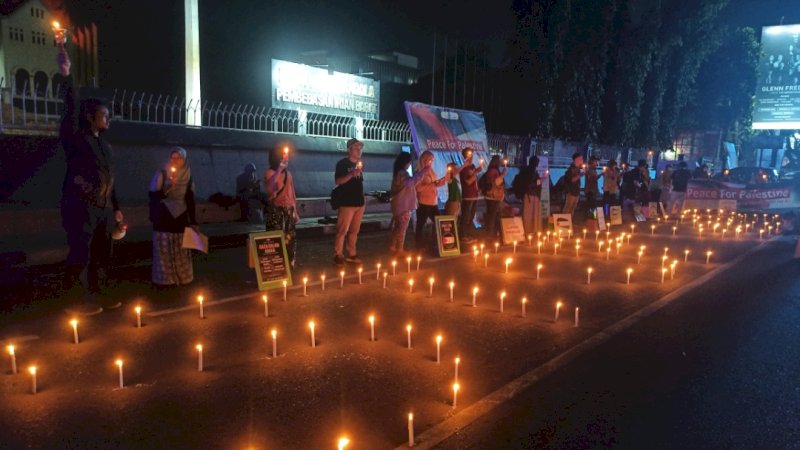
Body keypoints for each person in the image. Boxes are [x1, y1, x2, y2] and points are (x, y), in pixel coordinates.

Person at [58, 42, 123, 315]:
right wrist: (66, 75)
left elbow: (111, 178)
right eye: (103, 115)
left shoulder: (105, 146)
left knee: (101, 255)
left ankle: (100, 295)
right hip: (81, 207)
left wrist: (117, 209)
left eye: (108, 115)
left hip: (103, 210)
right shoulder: (77, 139)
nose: (108, 119)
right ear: (90, 117)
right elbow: (70, 107)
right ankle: (75, 301)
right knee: (80, 255)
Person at [149, 147, 198, 287]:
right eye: (173, 157)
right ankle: (165, 280)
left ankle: (182, 277)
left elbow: (190, 198)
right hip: (164, 216)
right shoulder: (162, 174)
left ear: (184, 160)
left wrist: (193, 221)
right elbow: (153, 196)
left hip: (180, 216)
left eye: (179, 158)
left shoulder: (188, 176)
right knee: (164, 249)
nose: (175, 161)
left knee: (180, 248)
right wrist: (167, 189)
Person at [389, 152, 431, 257]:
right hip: (403, 205)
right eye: (409, 162)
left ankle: (393, 246)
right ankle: (399, 250)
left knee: (398, 227)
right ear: (406, 162)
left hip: (398, 204)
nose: (410, 164)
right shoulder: (402, 173)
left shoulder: (399, 172)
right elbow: (410, 183)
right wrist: (423, 172)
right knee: (402, 228)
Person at [264, 146, 299, 268]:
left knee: (290, 238)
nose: (286, 158)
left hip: (288, 210)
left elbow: (292, 192)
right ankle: (276, 266)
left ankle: (289, 264)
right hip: (275, 211)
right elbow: (270, 188)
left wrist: (295, 211)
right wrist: (279, 169)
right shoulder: (270, 173)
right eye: (283, 155)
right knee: (275, 238)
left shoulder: (288, 174)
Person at [333, 138, 365, 266]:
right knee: (342, 230)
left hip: (359, 203)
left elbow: (359, 183)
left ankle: (351, 253)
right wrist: (352, 174)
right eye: (356, 148)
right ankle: (338, 254)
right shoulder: (342, 164)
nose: (359, 150)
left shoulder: (358, 164)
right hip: (347, 203)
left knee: (354, 231)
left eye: (360, 148)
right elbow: (338, 181)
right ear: (349, 149)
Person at [415, 150, 449, 251]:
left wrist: (443, 180)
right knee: (420, 224)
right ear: (424, 160)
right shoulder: (420, 172)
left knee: (438, 222)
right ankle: (419, 244)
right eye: (430, 160)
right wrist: (432, 184)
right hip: (423, 203)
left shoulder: (431, 171)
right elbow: (418, 188)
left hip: (433, 202)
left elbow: (435, 184)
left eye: (432, 160)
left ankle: (436, 241)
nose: (431, 162)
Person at [458, 147, 484, 243]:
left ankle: (468, 234)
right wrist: (476, 172)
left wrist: (477, 189)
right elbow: (468, 182)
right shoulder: (464, 168)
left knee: (471, 216)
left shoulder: (472, 166)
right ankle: (463, 235)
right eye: (470, 154)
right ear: (466, 156)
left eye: (472, 154)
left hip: (474, 195)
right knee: (466, 216)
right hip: (468, 195)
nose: (472, 156)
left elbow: (474, 180)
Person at [482, 155, 508, 239]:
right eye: (500, 160)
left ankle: (491, 233)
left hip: (494, 197)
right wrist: (503, 175)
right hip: (492, 197)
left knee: (492, 215)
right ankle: (489, 234)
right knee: (491, 216)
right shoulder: (493, 171)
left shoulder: (494, 170)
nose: (501, 162)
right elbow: (495, 183)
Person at [520, 156, 543, 235]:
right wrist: (541, 180)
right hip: (531, 195)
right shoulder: (531, 171)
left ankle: (530, 230)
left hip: (532, 195)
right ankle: (529, 231)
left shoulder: (528, 170)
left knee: (531, 214)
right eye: (537, 162)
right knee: (530, 214)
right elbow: (531, 184)